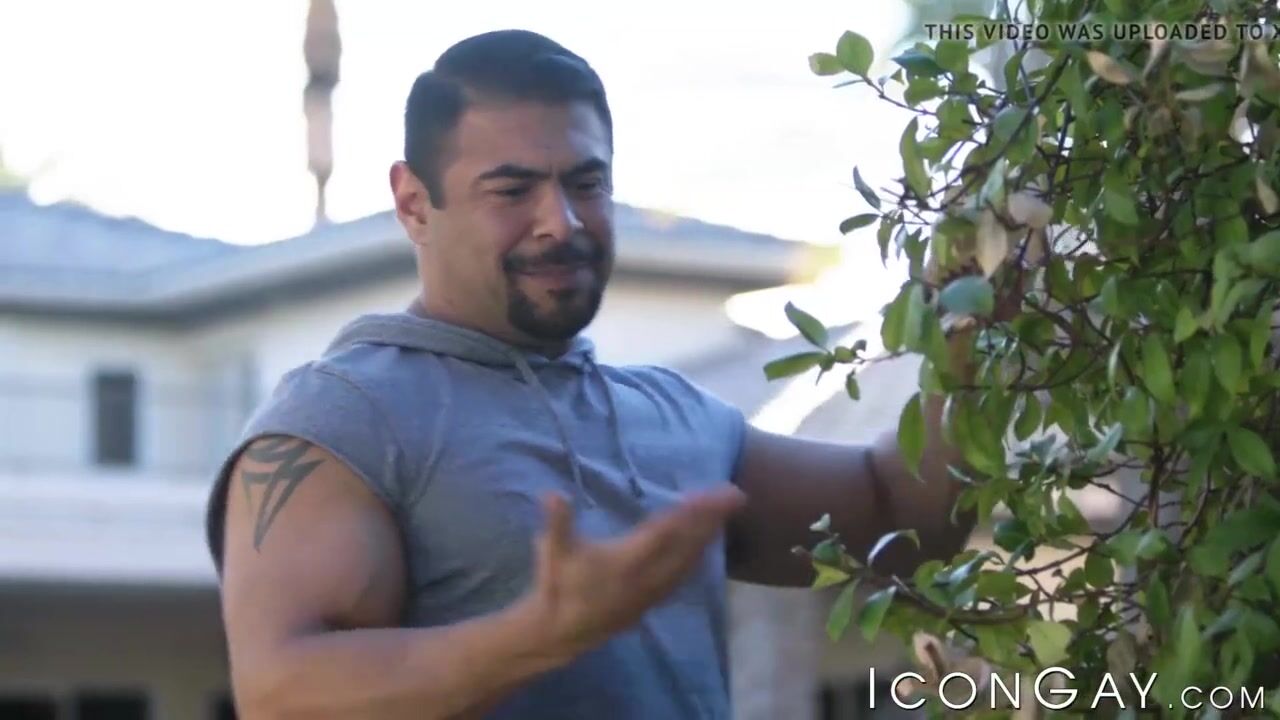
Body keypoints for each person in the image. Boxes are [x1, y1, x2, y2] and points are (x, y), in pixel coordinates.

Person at [205, 29, 975, 720]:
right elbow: (281, 694)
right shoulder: (344, 418)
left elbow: (902, 516)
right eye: (513, 191)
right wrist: (534, 637)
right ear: (414, 203)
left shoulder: (669, 414)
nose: (562, 222)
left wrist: (971, 329)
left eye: (585, 183)